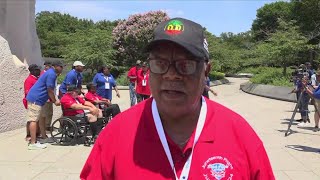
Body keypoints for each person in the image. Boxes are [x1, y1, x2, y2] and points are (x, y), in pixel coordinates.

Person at [81, 18, 274, 179]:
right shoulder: (116, 133)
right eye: (160, 63)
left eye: (185, 64)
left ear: (206, 70)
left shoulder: (240, 135)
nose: (171, 75)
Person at [26, 60, 63, 150]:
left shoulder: (51, 73)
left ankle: (43, 137)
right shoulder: (51, 74)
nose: (62, 69)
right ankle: (33, 143)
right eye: (61, 67)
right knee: (33, 120)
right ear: (55, 66)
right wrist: (55, 101)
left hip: (39, 100)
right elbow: (49, 90)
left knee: (41, 118)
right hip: (36, 99)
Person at [23, 64, 41, 141]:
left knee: (36, 119)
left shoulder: (37, 79)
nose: (39, 71)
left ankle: (36, 133)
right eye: (37, 70)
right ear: (32, 71)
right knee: (31, 119)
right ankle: (28, 135)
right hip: (32, 101)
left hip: (37, 101)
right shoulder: (29, 80)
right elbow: (28, 92)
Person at [40, 60, 54, 131]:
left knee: (50, 112)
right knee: (45, 112)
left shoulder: (51, 73)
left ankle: (48, 125)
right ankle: (45, 127)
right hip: (45, 96)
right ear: (46, 66)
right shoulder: (42, 74)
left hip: (50, 96)